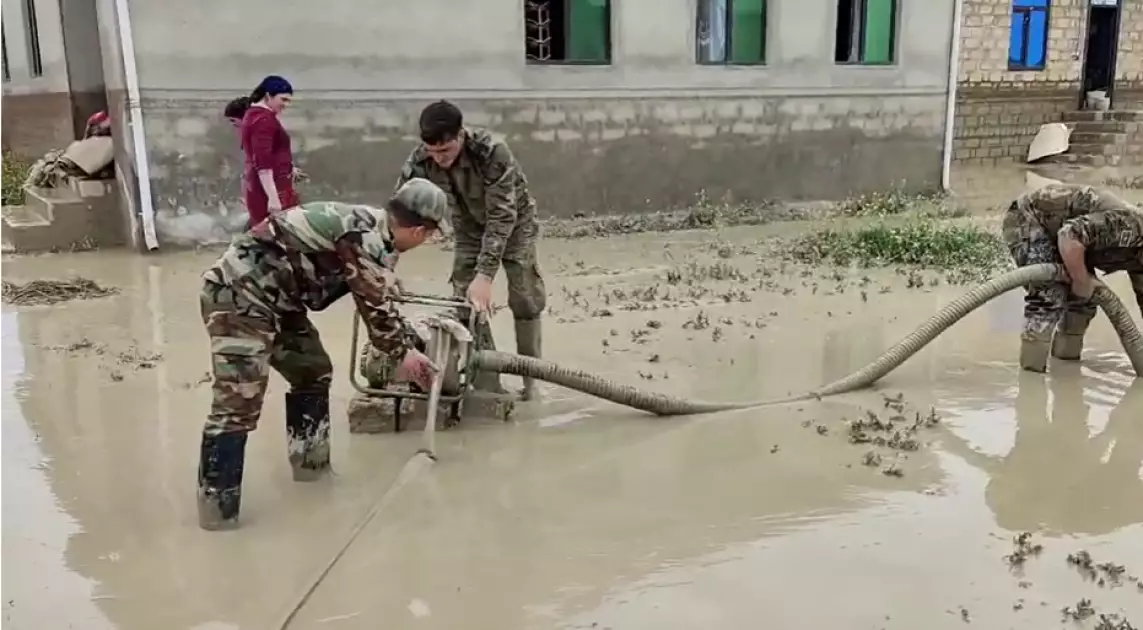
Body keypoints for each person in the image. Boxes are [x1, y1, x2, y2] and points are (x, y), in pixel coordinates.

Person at [196, 178, 448, 530]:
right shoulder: (365, 238)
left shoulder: (374, 231)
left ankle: (311, 470)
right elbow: (378, 319)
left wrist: (385, 287)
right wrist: (406, 354)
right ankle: (217, 515)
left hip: (277, 300)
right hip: (239, 296)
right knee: (238, 403)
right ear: (420, 231)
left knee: (313, 372)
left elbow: (369, 286)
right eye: (430, 235)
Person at [396, 100, 546, 400]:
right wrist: (386, 264)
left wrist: (485, 276)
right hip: (467, 230)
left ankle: (532, 383)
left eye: (446, 150)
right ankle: (490, 389)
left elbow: (502, 216)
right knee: (466, 304)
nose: (439, 158)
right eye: (433, 152)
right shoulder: (419, 161)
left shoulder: (491, 152)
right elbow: (398, 214)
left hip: (515, 225)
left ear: (461, 135)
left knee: (525, 298)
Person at [1001, 182, 1143, 372]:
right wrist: (1081, 279)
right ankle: (1031, 377)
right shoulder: (1131, 227)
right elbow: (1069, 235)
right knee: (1048, 296)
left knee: (1083, 302)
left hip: (1074, 239)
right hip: (1031, 217)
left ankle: (1065, 369)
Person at [224, 75, 301, 228]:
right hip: (271, 191)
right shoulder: (262, 119)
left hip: (271, 187)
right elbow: (263, 162)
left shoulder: (261, 118)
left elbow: (269, 156)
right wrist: (273, 198)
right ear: (268, 96)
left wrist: (288, 168)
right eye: (283, 100)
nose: (286, 105)